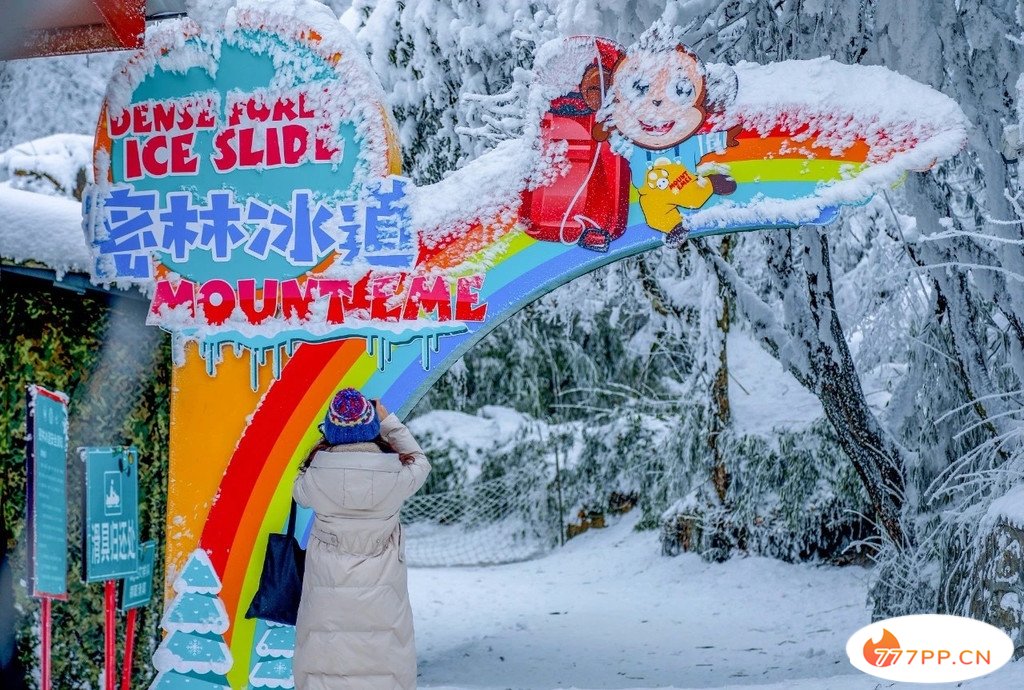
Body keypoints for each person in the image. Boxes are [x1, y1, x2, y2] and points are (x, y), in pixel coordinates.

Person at [292, 388, 431, 690]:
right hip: (382, 592)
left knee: (326, 661)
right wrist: (389, 422)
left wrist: (327, 442)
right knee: (382, 659)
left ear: (329, 431)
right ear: (372, 429)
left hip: (327, 592)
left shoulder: (314, 478)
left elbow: (298, 491)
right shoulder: (395, 476)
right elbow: (421, 462)